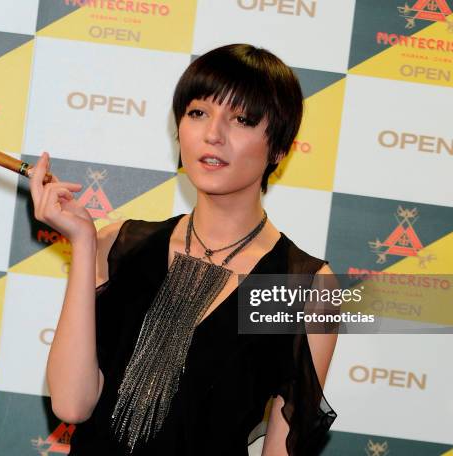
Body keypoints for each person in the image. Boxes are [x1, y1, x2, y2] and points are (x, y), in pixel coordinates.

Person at [29, 43, 338, 456]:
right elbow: (71, 404)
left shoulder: (305, 286)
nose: (213, 134)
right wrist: (83, 244)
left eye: (242, 119)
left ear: (279, 149)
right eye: (198, 113)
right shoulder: (117, 245)